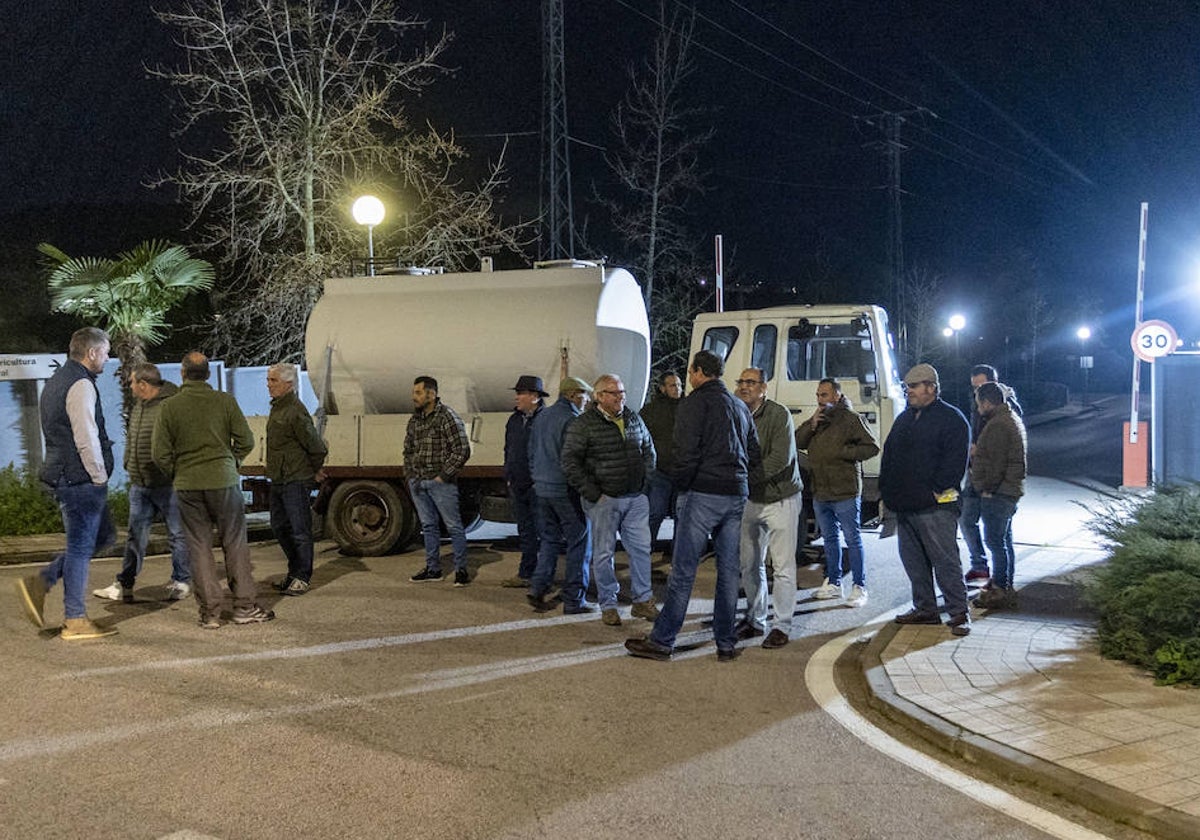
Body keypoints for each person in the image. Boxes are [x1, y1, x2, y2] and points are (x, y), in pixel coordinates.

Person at [625, 350, 760, 662]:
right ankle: (725, 643)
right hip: (735, 493)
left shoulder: (693, 404)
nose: (689, 378)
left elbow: (685, 452)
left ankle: (662, 640)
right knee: (728, 571)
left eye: (691, 372)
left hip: (701, 493)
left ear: (699, 372)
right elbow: (753, 452)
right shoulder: (740, 407)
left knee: (683, 571)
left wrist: (682, 485)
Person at [153, 351, 275, 628]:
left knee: (199, 547)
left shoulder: (169, 407)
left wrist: (178, 471)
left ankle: (210, 613)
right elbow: (246, 440)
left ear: (182, 374)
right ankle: (244, 606)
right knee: (235, 543)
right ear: (208, 374)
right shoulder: (224, 402)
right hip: (223, 481)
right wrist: (232, 461)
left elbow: (159, 453)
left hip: (188, 485)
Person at [15, 327, 119, 639]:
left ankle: (43, 580)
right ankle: (74, 619)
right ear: (91, 353)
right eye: (105, 352)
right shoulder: (81, 384)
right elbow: (85, 436)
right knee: (80, 546)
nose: (108, 357)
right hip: (78, 478)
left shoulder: (58, 380)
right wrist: (98, 477)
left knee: (104, 536)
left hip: (65, 474)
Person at [879, 363, 972, 636]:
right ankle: (925, 608)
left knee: (945, 560)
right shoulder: (905, 418)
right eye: (907, 386)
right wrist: (888, 489)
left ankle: (958, 612)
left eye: (914, 386)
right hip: (905, 505)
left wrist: (936, 489)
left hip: (935, 507)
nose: (908, 391)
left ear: (931, 387)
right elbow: (890, 454)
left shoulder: (952, 419)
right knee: (914, 561)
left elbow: (955, 463)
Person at [560, 374, 658, 627]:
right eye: (614, 393)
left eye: (622, 392)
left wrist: (644, 483)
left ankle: (643, 600)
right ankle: (609, 604)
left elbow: (648, 449)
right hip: (604, 500)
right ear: (599, 396)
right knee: (604, 554)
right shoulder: (583, 424)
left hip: (635, 497)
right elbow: (570, 462)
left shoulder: (633, 418)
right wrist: (594, 493)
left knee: (641, 550)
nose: (620, 397)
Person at [92, 363, 192, 604]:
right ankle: (124, 584)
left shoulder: (171, 405)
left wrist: (170, 471)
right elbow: (134, 437)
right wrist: (129, 463)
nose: (130, 387)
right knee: (135, 536)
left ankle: (181, 581)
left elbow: (180, 443)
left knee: (177, 535)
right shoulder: (139, 405)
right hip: (140, 484)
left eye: (132, 383)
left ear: (143, 384)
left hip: (166, 484)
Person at [795, 377, 879, 608]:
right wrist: (811, 424)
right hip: (821, 490)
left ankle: (859, 586)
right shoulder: (818, 420)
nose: (819, 399)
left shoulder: (851, 419)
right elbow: (797, 441)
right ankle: (833, 582)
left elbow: (872, 447)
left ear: (836, 396)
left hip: (845, 490)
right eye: (818, 395)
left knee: (852, 539)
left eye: (824, 395)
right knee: (830, 539)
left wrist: (843, 452)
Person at [734, 368, 802, 649]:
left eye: (750, 383)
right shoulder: (736, 413)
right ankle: (755, 618)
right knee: (749, 563)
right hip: (750, 499)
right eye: (741, 382)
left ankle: (782, 625)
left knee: (783, 565)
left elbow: (781, 459)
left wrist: (744, 480)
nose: (744, 387)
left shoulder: (778, 414)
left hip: (780, 497)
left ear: (764, 387)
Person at [526, 376, 594, 614]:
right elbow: (573, 461)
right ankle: (574, 600)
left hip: (541, 489)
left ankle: (537, 587)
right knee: (580, 540)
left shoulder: (542, 416)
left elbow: (531, 452)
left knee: (549, 540)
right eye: (585, 395)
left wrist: (537, 478)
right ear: (573, 395)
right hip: (563, 490)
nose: (587, 400)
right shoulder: (573, 420)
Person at [266, 362, 328, 596]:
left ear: (289, 384)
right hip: (279, 478)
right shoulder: (278, 407)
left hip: (295, 479)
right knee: (279, 526)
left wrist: (312, 470)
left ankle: (302, 576)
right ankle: (293, 573)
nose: (269, 385)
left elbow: (316, 446)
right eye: (268, 380)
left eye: (274, 381)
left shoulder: (295, 410)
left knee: (300, 530)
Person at [405, 375, 473, 586]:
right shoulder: (415, 419)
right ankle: (433, 569)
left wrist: (443, 476)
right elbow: (408, 449)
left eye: (418, 392)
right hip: (418, 482)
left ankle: (461, 570)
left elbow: (462, 449)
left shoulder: (446, 416)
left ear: (431, 394)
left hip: (440, 482)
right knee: (429, 526)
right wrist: (410, 475)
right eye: (414, 392)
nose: (414, 397)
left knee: (453, 526)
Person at [961, 364, 1024, 588]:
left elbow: (999, 459)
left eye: (981, 386)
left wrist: (988, 487)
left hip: (993, 483)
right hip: (977, 472)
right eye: (974, 387)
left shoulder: (1003, 413)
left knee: (999, 537)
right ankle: (983, 568)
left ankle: (1002, 583)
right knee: (968, 520)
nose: (977, 392)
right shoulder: (983, 408)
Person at [969, 382, 1027, 610]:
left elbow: (996, 465)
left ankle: (999, 589)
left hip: (999, 493)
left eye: (979, 404)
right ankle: (1005, 584)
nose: (978, 409)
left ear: (986, 402)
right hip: (1009, 491)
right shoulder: (1010, 418)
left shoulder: (998, 426)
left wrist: (986, 488)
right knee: (1004, 541)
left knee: (995, 542)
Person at [500, 375, 547, 588]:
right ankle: (526, 573)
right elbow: (508, 449)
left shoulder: (545, 420)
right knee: (526, 531)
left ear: (535, 397)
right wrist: (509, 475)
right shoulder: (514, 420)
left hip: (539, 486)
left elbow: (548, 453)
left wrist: (541, 480)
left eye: (521, 393)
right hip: (518, 484)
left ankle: (542, 575)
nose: (517, 397)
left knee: (544, 532)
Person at [638, 371, 683, 549]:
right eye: (673, 385)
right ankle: (644, 550)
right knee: (655, 513)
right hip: (660, 472)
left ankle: (677, 553)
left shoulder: (687, 408)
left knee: (681, 516)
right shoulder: (650, 411)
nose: (677, 389)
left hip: (682, 472)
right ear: (662, 388)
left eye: (679, 385)